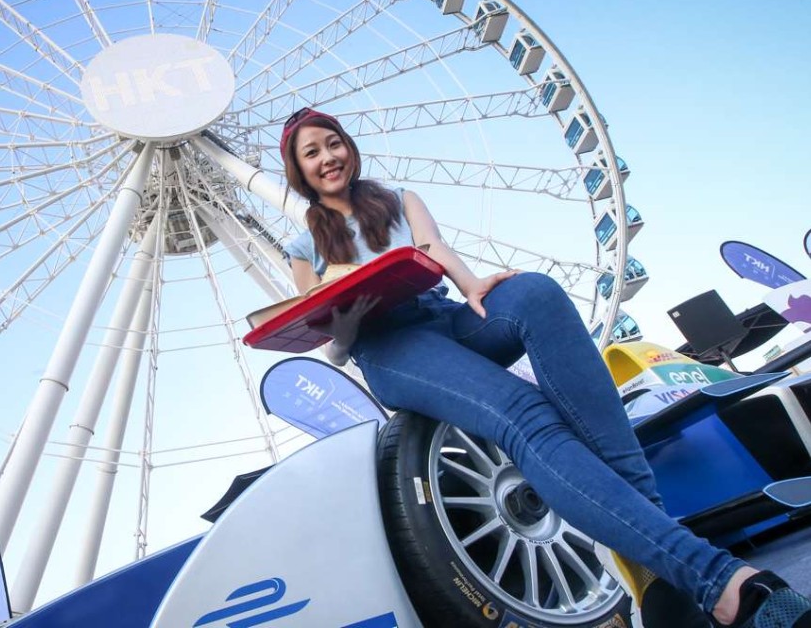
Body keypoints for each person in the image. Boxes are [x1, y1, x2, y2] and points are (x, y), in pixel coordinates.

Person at [278, 106, 811, 628]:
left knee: (534, 292)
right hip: (387, 346)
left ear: (349, 146)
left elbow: (433, 249)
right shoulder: (305, 245)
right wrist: (347, 322)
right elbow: (329, 336)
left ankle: (656, 577)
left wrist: (474, 289)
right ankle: (720, 582)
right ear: (298, 170)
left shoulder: (397, 200)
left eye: (334, 143)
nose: (329, 157)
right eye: (312, 152)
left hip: (440, 313)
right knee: (525, 412)